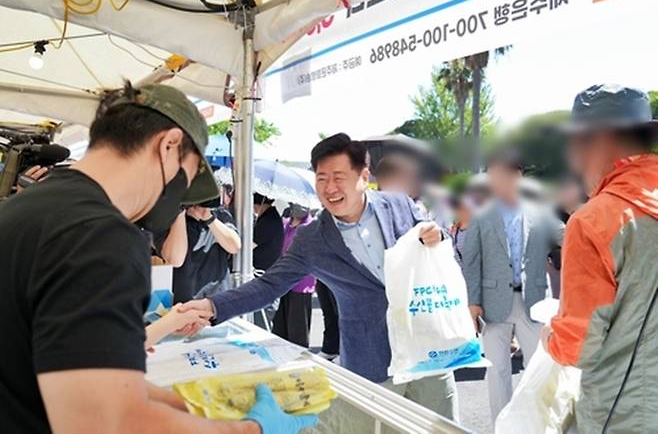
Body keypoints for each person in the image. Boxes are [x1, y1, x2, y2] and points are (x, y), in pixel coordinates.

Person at [0, 82, 316, 434]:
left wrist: (207, 409)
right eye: (184, 180)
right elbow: (109, 423)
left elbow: (80, 374)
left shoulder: (27, 209)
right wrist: (251, 430)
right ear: (168, 145)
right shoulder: (102, 234)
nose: (176, 199)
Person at [180, 133, 457, 432]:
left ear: (364, 176)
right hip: (371, 359)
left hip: (427, 349)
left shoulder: (399, 205)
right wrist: (211, 306)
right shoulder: (313, 239)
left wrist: (438, 236)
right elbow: (269, 285)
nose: (329, 188)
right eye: (322, 178)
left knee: (443, 426)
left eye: (339, 177)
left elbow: (440, 243)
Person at [541, 84, 658, 433]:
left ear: (596, 141)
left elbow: (578, 347)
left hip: (624, 413)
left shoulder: (593, 221)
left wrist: (549, 334)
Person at [462, 148, 565, 422]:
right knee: (497, 372)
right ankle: (501, 425)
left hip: (532, 300)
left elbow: (568, 236)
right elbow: (471, 261)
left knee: (537, 368)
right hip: (492, 303)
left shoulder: (539, 213)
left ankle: (538, 424)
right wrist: (472, 302)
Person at [160, 203, 241, 303]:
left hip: (219, 302)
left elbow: (235, 246)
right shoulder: (168, 219)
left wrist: (209, 218)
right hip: (183, 305)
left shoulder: (219, 214)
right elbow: (176, 260)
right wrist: (180, 213)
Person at [272, 204, 316, 347]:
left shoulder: (311, 226)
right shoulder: (286, 223)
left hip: (301, 284)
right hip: (283, 282)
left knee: (298, 333)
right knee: (280, 328)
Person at [253, 193, 284, 273]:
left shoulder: (268, 220)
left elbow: (252, 242)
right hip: (269, 267)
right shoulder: (272, 216)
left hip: (262, 268)